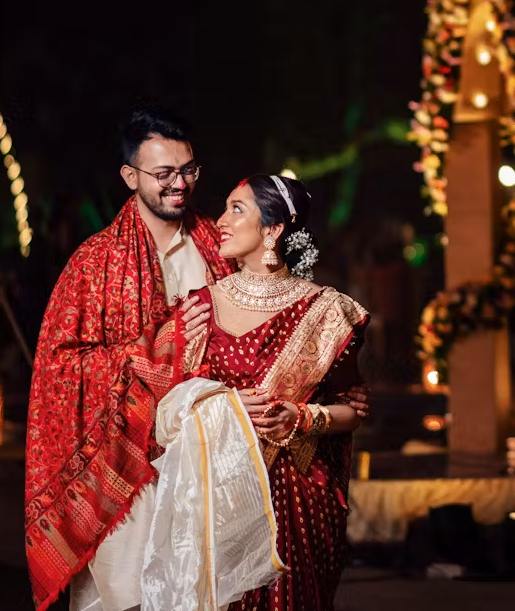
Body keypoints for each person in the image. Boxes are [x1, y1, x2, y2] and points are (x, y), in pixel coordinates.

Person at [22, 109, 367, 611]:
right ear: (130, 177)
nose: (179, 184)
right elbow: (59, 372)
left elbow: (280, 315)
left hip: (220, 466)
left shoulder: (218, 243)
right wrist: (161, 347)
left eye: (188, 170)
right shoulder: (94, 264)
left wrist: (328, 393)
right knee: (133, 595)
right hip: (132, 466)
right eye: (163, 174)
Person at [191, 174, 369, 611]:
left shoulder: (327, 310)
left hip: (297, 502)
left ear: (272, 230)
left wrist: (303, 417)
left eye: (236, 209)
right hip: (220, 493)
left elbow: (353, 409)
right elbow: (170, 402)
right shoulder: (199, 306)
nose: (219, 221)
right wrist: (218, 406)